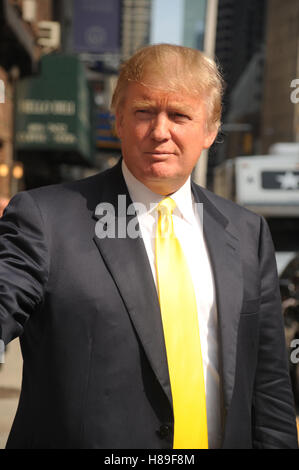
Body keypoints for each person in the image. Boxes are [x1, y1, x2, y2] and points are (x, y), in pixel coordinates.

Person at [0, 44, 297, 449]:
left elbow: (269, 385)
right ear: (118, 119)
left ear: (210, 130)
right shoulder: (44, 218)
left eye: (179, 115)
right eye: (143, 112)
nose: (160, 131)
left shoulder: (248, 233)